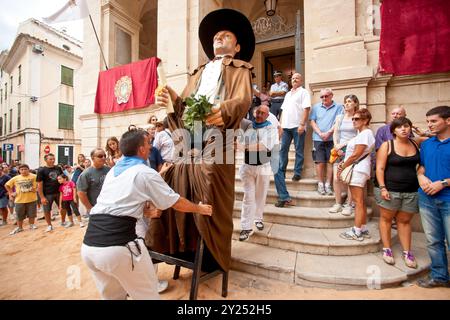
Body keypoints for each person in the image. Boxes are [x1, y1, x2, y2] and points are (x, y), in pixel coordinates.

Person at [149, 8, 254, 273]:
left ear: (237, 46)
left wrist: (223, 110)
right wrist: (171, 96)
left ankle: (213, 256)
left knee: (210, 188)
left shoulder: (241, 68)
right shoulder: (198, 72)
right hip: (190, 138)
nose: (219, 36)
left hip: (219, 138)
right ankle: (186, 248)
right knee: (178, 183)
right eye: (217, 35)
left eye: (226, 35)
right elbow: (183, 106)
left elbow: (243, 100)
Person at [81, 128, 212, 300]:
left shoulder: (113, 172)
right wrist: (200, 208)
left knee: (113, 297)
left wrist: (145, 211)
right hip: (118, 248)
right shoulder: (144, 172)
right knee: (148, 296)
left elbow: (118, 202)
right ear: (141, 149)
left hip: (89, 247)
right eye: (148, 143)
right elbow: (176, 202)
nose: (151, 146)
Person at [375, 117, 420, 268]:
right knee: (386, 219)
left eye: (406, 126)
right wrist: (382, 188)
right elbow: (379, 168)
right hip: (390, 189)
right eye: (399, 127)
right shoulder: (387, 145)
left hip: (411, 190)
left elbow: (436, 136)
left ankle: (407, 252)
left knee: (405, 221)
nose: (403, 129)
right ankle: (387, 249)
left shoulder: (416, 143)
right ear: (393, 130)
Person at [416, 106, 450, 288]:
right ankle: (439, 276)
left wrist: (443, 183)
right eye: (428, 121)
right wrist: (421, 176)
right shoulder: (427, 144)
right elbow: (421, 166)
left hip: (448, 199)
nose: (429, 125)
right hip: (426, 199)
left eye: (434, 121)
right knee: (433, 240)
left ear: (448, 120)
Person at [238, 105, 278, 241]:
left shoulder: (271, 128)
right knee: (248, 197)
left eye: (263, 113)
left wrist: (245, 147)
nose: (259, 114)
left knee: (260, 196)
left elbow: (264, 146)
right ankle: (246, 227)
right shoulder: (248, 125)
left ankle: (258, 219)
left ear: (267, 115)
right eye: (258, 112)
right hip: (248, 166)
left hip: (263, 166)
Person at [273, 73, 311, 208]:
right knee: (283, 149)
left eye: (297, 78)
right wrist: (281, 125)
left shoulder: (304, 92)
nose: (294, 80)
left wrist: (302, 124)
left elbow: (307, 109)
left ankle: (297, 173)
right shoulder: (288, 94)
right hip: (286, 126)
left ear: (301, 81)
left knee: (299, 150)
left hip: (297, 126)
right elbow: (282, 111)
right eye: (293, 78)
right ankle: (282, 170)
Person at [338, 108, 375, 241]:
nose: (354, 121)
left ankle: (357, 230)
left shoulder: (366, 133)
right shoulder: (362, 134)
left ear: (365, 120)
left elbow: (356, 154)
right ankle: (362, 228)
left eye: (357, 119)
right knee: (360, 201)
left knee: (357, 201)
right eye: (353, 118)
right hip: (359, 168)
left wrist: (343, 165)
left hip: (358, 169)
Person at [328, 94, 359, 215]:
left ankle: (349, 205)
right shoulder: (339, 117)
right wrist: (336, 145)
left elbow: (358, 135)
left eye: (350, 101)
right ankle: (338, 203)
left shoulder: (357, 118)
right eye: (345, 101)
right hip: (338, 150)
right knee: (336, 178)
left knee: (348, 178)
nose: (347, 104)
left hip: (351, 150)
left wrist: (344, 144)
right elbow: (335, 133)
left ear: (355, 104)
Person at [310, 88, 343, 196]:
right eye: (322, 96)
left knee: (331, 162)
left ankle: (328, 185)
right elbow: (312, 122)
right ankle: (320, 184)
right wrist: (320, 133)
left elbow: (338, 122)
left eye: (326, 96)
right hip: (318, 138)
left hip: (332, 139)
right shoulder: (316, 107)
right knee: (319, 162)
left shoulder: (338, 107)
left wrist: (329, 132)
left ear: (331, 96)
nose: (324, 98)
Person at [77, 148, 110, 218]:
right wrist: (90, 208)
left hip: (109, 207)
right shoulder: (86, 174)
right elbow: (81, 193)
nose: (103, 158)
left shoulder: (109, 170)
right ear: (93, 158)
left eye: (104, 155)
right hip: (95, 209)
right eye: (100, 156)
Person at [5, 164, 38, 235]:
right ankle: (20, 227)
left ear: (28, 169)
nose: (23, 171)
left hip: (32, 199)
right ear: (19, 171)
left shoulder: (34, 176)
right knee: (19, 215)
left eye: (25, 169)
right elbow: (7, 185)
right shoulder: (16, 178)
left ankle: (31, 225)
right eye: (21, 169)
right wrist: (11, 193)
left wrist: (36, 189)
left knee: (32, 214)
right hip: (19, 200)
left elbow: (40, 184)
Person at [37, 153, 64, 232]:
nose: (52, 160)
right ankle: (49, 225)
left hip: (59, 192)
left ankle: (63, 221)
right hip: (48, 193)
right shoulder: (41, 170)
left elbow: (63, 178)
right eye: (50, 159)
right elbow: (39, 184)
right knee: (47, 210)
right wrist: (42, 197)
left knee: (63, 207)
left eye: (53, 159)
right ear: (46, 160)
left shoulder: (58, 168)